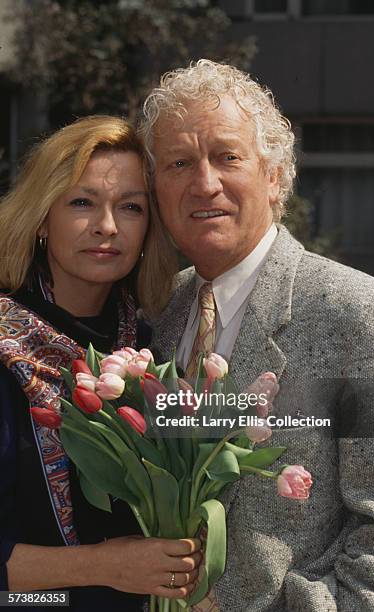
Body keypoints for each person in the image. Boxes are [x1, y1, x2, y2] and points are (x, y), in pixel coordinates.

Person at [140, 60, 374, 611]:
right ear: (156, 188)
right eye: (179, 163)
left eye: (227, 157)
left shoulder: (362, 316)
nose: (204, 183)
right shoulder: (154, 314)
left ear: (275, 173)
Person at [0, 115, 202, 610]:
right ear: (43, 217)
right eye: (82, 202)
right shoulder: (4, 351)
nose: (107, 227)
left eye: (130, 207)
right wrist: (101, 567)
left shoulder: (154, 349)